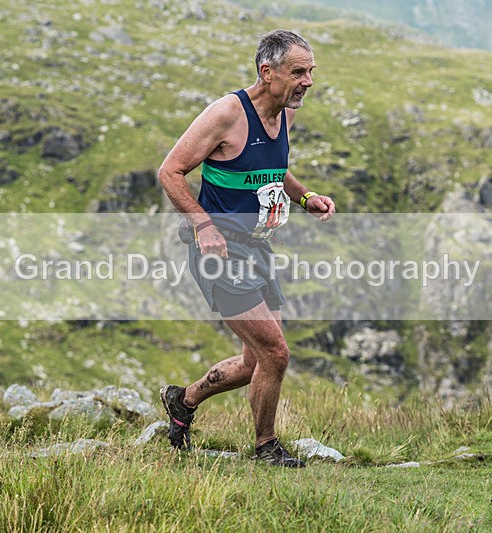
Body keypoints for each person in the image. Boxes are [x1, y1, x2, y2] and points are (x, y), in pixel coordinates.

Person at [157, 29, 336, 468]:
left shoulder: (286, 114)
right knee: (276, 353)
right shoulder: (226, 114)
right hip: (220, 253)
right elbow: (170, 171)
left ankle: (184, 399)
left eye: (311, 71)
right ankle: (266, 446)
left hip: (257, 247)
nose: (308, 81)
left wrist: (305, 196)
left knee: (254, 360)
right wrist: (204, 227)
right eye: (298, 72)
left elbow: (274, 171)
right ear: (267, 71)